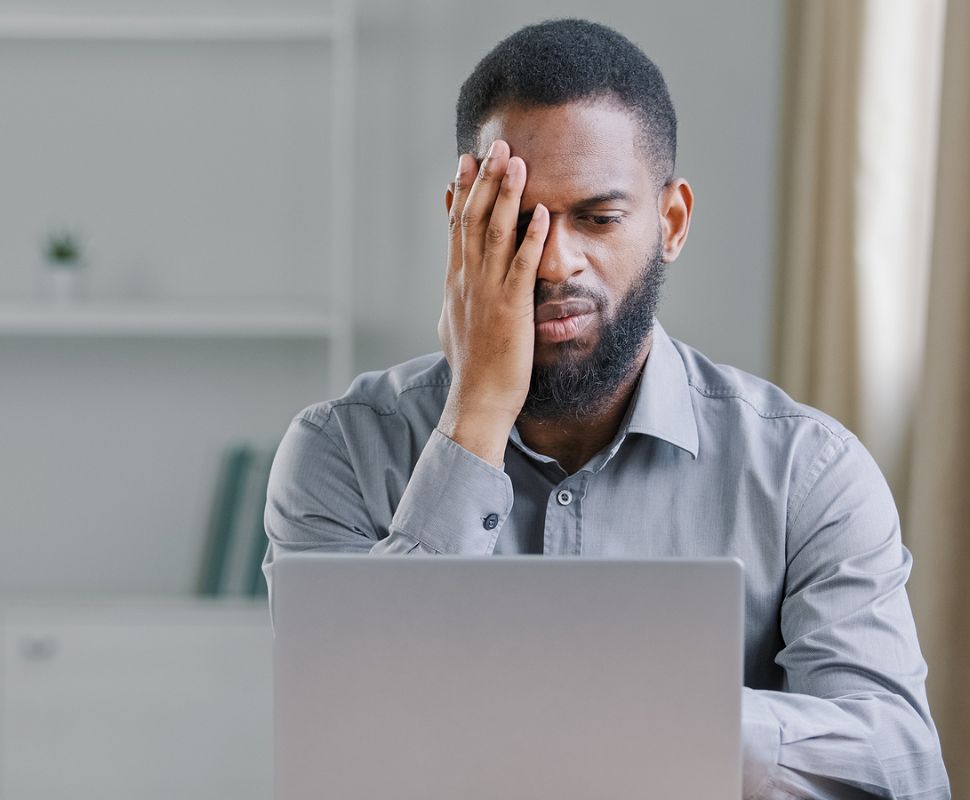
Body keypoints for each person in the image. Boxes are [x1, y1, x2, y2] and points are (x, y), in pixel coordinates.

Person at [263, 18, 950, 800]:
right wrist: (478, 409)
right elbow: (347, 750)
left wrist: (615, 719)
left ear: (672, 222)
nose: (555, 261)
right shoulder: (338, 453)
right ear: (461, 221)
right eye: (519, 220)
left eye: (597, 217)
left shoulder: (807, 472)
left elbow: (900, 769)